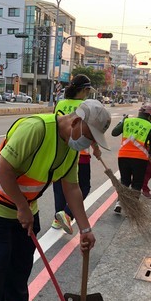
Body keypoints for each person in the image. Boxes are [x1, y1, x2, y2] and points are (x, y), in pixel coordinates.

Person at [0, 99, 111, 301]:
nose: (89, 143)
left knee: (22, 260)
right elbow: (2, 168)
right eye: (89, 136)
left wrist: (85, 228)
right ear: (76, 121)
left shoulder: (71, 149)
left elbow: (71, 188)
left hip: (26, 205)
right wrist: (21, 207)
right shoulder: (36, 129)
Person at [51, 74, 102, 233]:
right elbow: (90, 131)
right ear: (84, 90)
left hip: (61, 152)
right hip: (81, 154)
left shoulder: (60, 104)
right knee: (84, 186)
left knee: (59, 185)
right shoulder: (87, 106)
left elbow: (56, 125)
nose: (87, 94)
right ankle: (66, 214)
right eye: (87, 90)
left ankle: (57, 219)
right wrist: (97, 149)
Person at [110, 105, 151, 213]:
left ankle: (120, 202)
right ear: (149, 116)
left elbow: (114, 133)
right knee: (137, 182)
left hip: (123, 156)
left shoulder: (127, 121)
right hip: (140, 158)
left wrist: (122, 121)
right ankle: (133, 207)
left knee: (125, 181)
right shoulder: (149, 126)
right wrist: (148, 153)